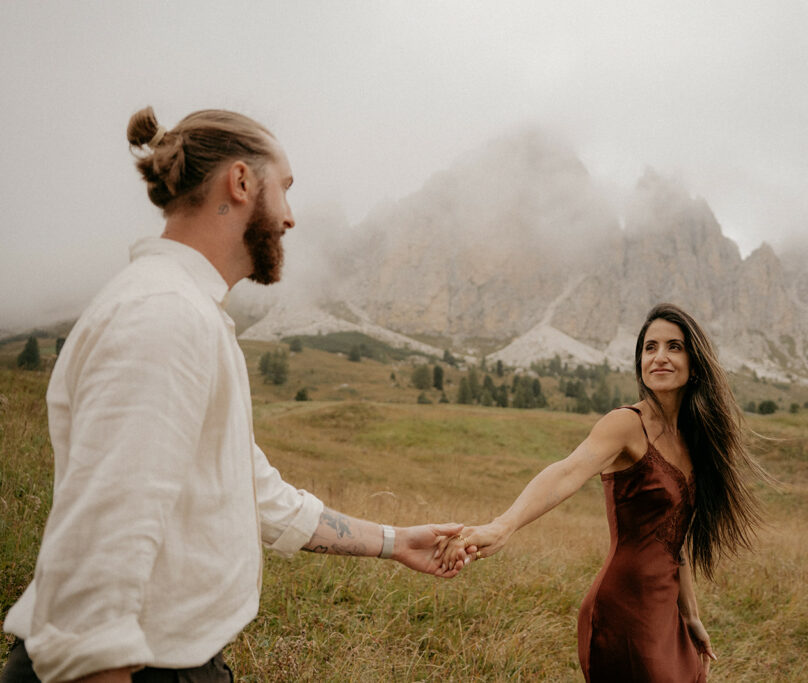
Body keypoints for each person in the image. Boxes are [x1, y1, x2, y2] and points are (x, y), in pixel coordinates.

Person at [1, 107, 470, 683]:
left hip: (173, 661)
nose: (293, 218)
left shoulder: (185, 310)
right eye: (287, 189)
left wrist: (395, 542)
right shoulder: (163, 316)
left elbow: (258, 495)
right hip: (134, 668)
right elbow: (98, 560)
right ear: (243, 182)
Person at [443, 303, 764, 682]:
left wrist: (691, 615)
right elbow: (567, 471)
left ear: (695, 363)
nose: (660, 357)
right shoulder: (626, 424)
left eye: (674, 347)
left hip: (667, 614)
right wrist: (502, 526)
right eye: (650, 347)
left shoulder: (694, 440)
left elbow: (673, 542)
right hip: (623, 614)